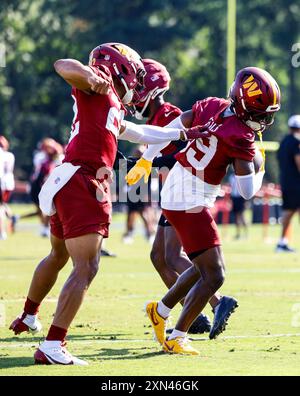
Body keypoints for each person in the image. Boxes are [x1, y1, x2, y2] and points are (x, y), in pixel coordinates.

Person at [9, 42, 208, 365]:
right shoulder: (96, 88)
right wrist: (89, 75)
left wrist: (184, 135)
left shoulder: (109, 103)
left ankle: (30, 316)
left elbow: (140, 133)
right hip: (83, 181)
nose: (138, 85)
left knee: (59, 255)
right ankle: (53, 345)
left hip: (68, 179)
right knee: (86, 266)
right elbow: (62, 64)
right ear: (120, 69)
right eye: (135, 76)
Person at [127, 67, 281, 355]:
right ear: (245, 106)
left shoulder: (212, 105)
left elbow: (172, 128)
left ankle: (159, 311)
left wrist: (147, 157)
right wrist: (259, 165)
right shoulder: (241, 136)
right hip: (191, 198)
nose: (264, 120)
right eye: (260, 113)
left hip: (177, 189)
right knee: (215, 275)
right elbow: (246, 191)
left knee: (201, 268)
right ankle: (177, 335)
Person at [131, 58, 238, 338]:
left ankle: (211, 305)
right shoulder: (157, 118)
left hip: (184, 192)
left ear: (151, 90)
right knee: (159, 256)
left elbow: (178, 154)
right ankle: (195, 311)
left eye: (139, 85)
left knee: (172, 255)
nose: (134, 92)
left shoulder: (168, 115)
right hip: (175, 193)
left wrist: (142, 163)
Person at [276, 115, 300, 252]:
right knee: (289, 213)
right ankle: (282, 243)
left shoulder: (284, 141)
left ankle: (282, 242)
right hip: (296, 184)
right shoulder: (296, 142)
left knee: (288, 213)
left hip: (286, 183)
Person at [0, 136, 15, 239]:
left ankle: (2, 232)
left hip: (2, 182)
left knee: (0, 208)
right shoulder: (10, 155)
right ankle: (12, 218)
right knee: (3, 205)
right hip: (9, 182)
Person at [229, 171, 248, 240]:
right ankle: (238, 234)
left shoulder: (240, 177)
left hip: (240, 197)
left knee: (242, 216)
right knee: (236, 217)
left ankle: (246, 234)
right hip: (234, 198)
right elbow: (231, 188)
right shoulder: (231, 177)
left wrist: (245, 200)